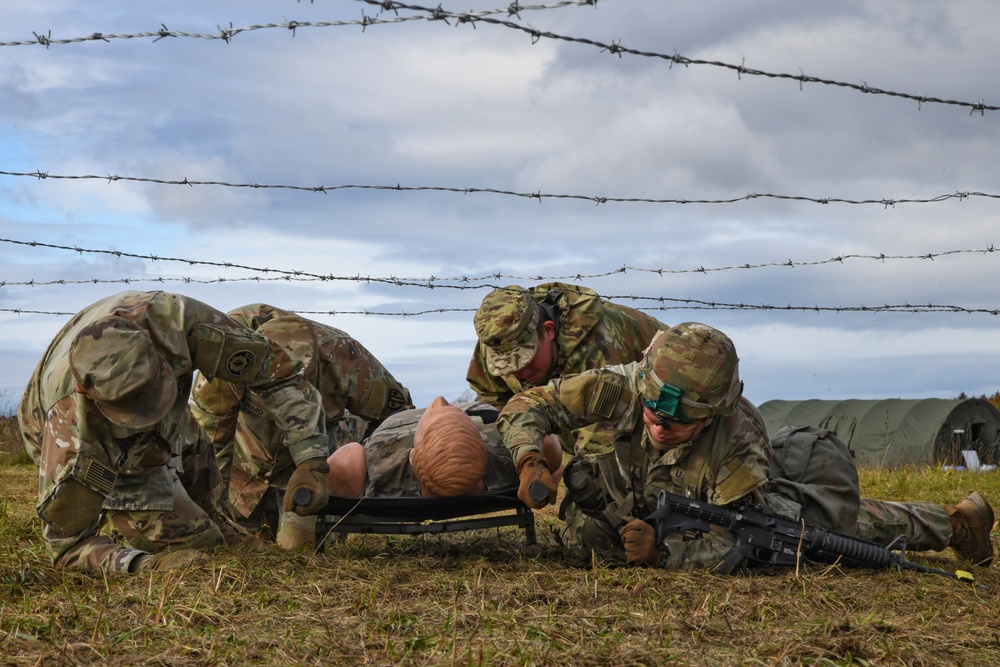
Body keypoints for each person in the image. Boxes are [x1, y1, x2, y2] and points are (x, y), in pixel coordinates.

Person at [497, 322, 995, 570]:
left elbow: (738, 541)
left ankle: (953, 523)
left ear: (715, 411)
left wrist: (664, 554)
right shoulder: (619, 385)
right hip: (633, 496)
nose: (660, 425)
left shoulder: (741, 440)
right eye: (652, 410)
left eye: (680, 421)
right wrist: (529, 459)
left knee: (825, 528)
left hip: (715, 506)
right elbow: (525, 407)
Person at [17, 291, 329, 574]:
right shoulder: (74, 435)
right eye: (136, 411)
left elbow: (272, 369)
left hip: (169, 416)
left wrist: (310, 456)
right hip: (103, 445)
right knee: (202, 547)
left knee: (200, 458)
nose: (150, 417)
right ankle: (155, 524)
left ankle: (218, 523)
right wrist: (144, 564)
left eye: (153, 397)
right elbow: (67, 547)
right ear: (90, 395)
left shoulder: (176, 324)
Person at [189, 303, 414, 549]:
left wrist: (359, 479)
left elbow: (398, 422)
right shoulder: (232, 352)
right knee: (242, 546)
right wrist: (212, 512)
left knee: (302, 551)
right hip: (246, 461)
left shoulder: (350, 363)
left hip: (315, 465)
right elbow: (211, 443)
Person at [467, 282, 665, 542]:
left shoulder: (598, 345)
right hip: (582, 423)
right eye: (507, 368)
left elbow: (602, 446)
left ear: (548, 331)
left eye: (525, 361)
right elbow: (495, 399)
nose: (519, 374)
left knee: (589, 532)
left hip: (660, 419)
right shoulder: (499, 343)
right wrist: (530, 453)